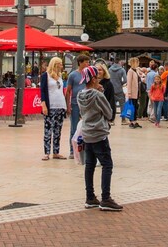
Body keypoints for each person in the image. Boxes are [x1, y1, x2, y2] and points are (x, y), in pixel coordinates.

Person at [77, 65, 121, 211]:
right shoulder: (98, 95)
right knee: (107, 165)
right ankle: (106, 198)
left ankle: (90, 197)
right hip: (99, 133)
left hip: (86, 133)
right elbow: (109, 113)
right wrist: (100, 93)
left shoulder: (79, 95)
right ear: (94, 78)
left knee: (89, 165)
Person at [40, 57, 67, 160]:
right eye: (60, 64)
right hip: (50, 106)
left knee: (58, 130)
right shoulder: (45, 76)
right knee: (48, 129)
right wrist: (44, 105)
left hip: (60, 105)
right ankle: (46, 152)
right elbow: (42, 90)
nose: (62, 66)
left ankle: (56, 152)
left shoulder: (60, 77)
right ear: (55, 64)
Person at [64, 55, 90, 155]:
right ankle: (72, 150)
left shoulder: (88, 74)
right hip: (75, 103)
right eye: (86, 62)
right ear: (80, 62)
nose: (87, 64)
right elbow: (68, 91)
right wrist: (68, 105)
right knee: (74, 128)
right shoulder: (73, 75)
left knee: (86, 127)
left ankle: (84, 149)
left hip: (86, 104)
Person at [125, 57, 142, 128]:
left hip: (136, 92)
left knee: (135, 107)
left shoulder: (136, 70)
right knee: (132, 107)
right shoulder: (130, 71)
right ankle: (132, 122)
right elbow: (128, 82)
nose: (138, 63)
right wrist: (129, 93)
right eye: (137, 62)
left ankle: (135, 121)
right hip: (132, 93)